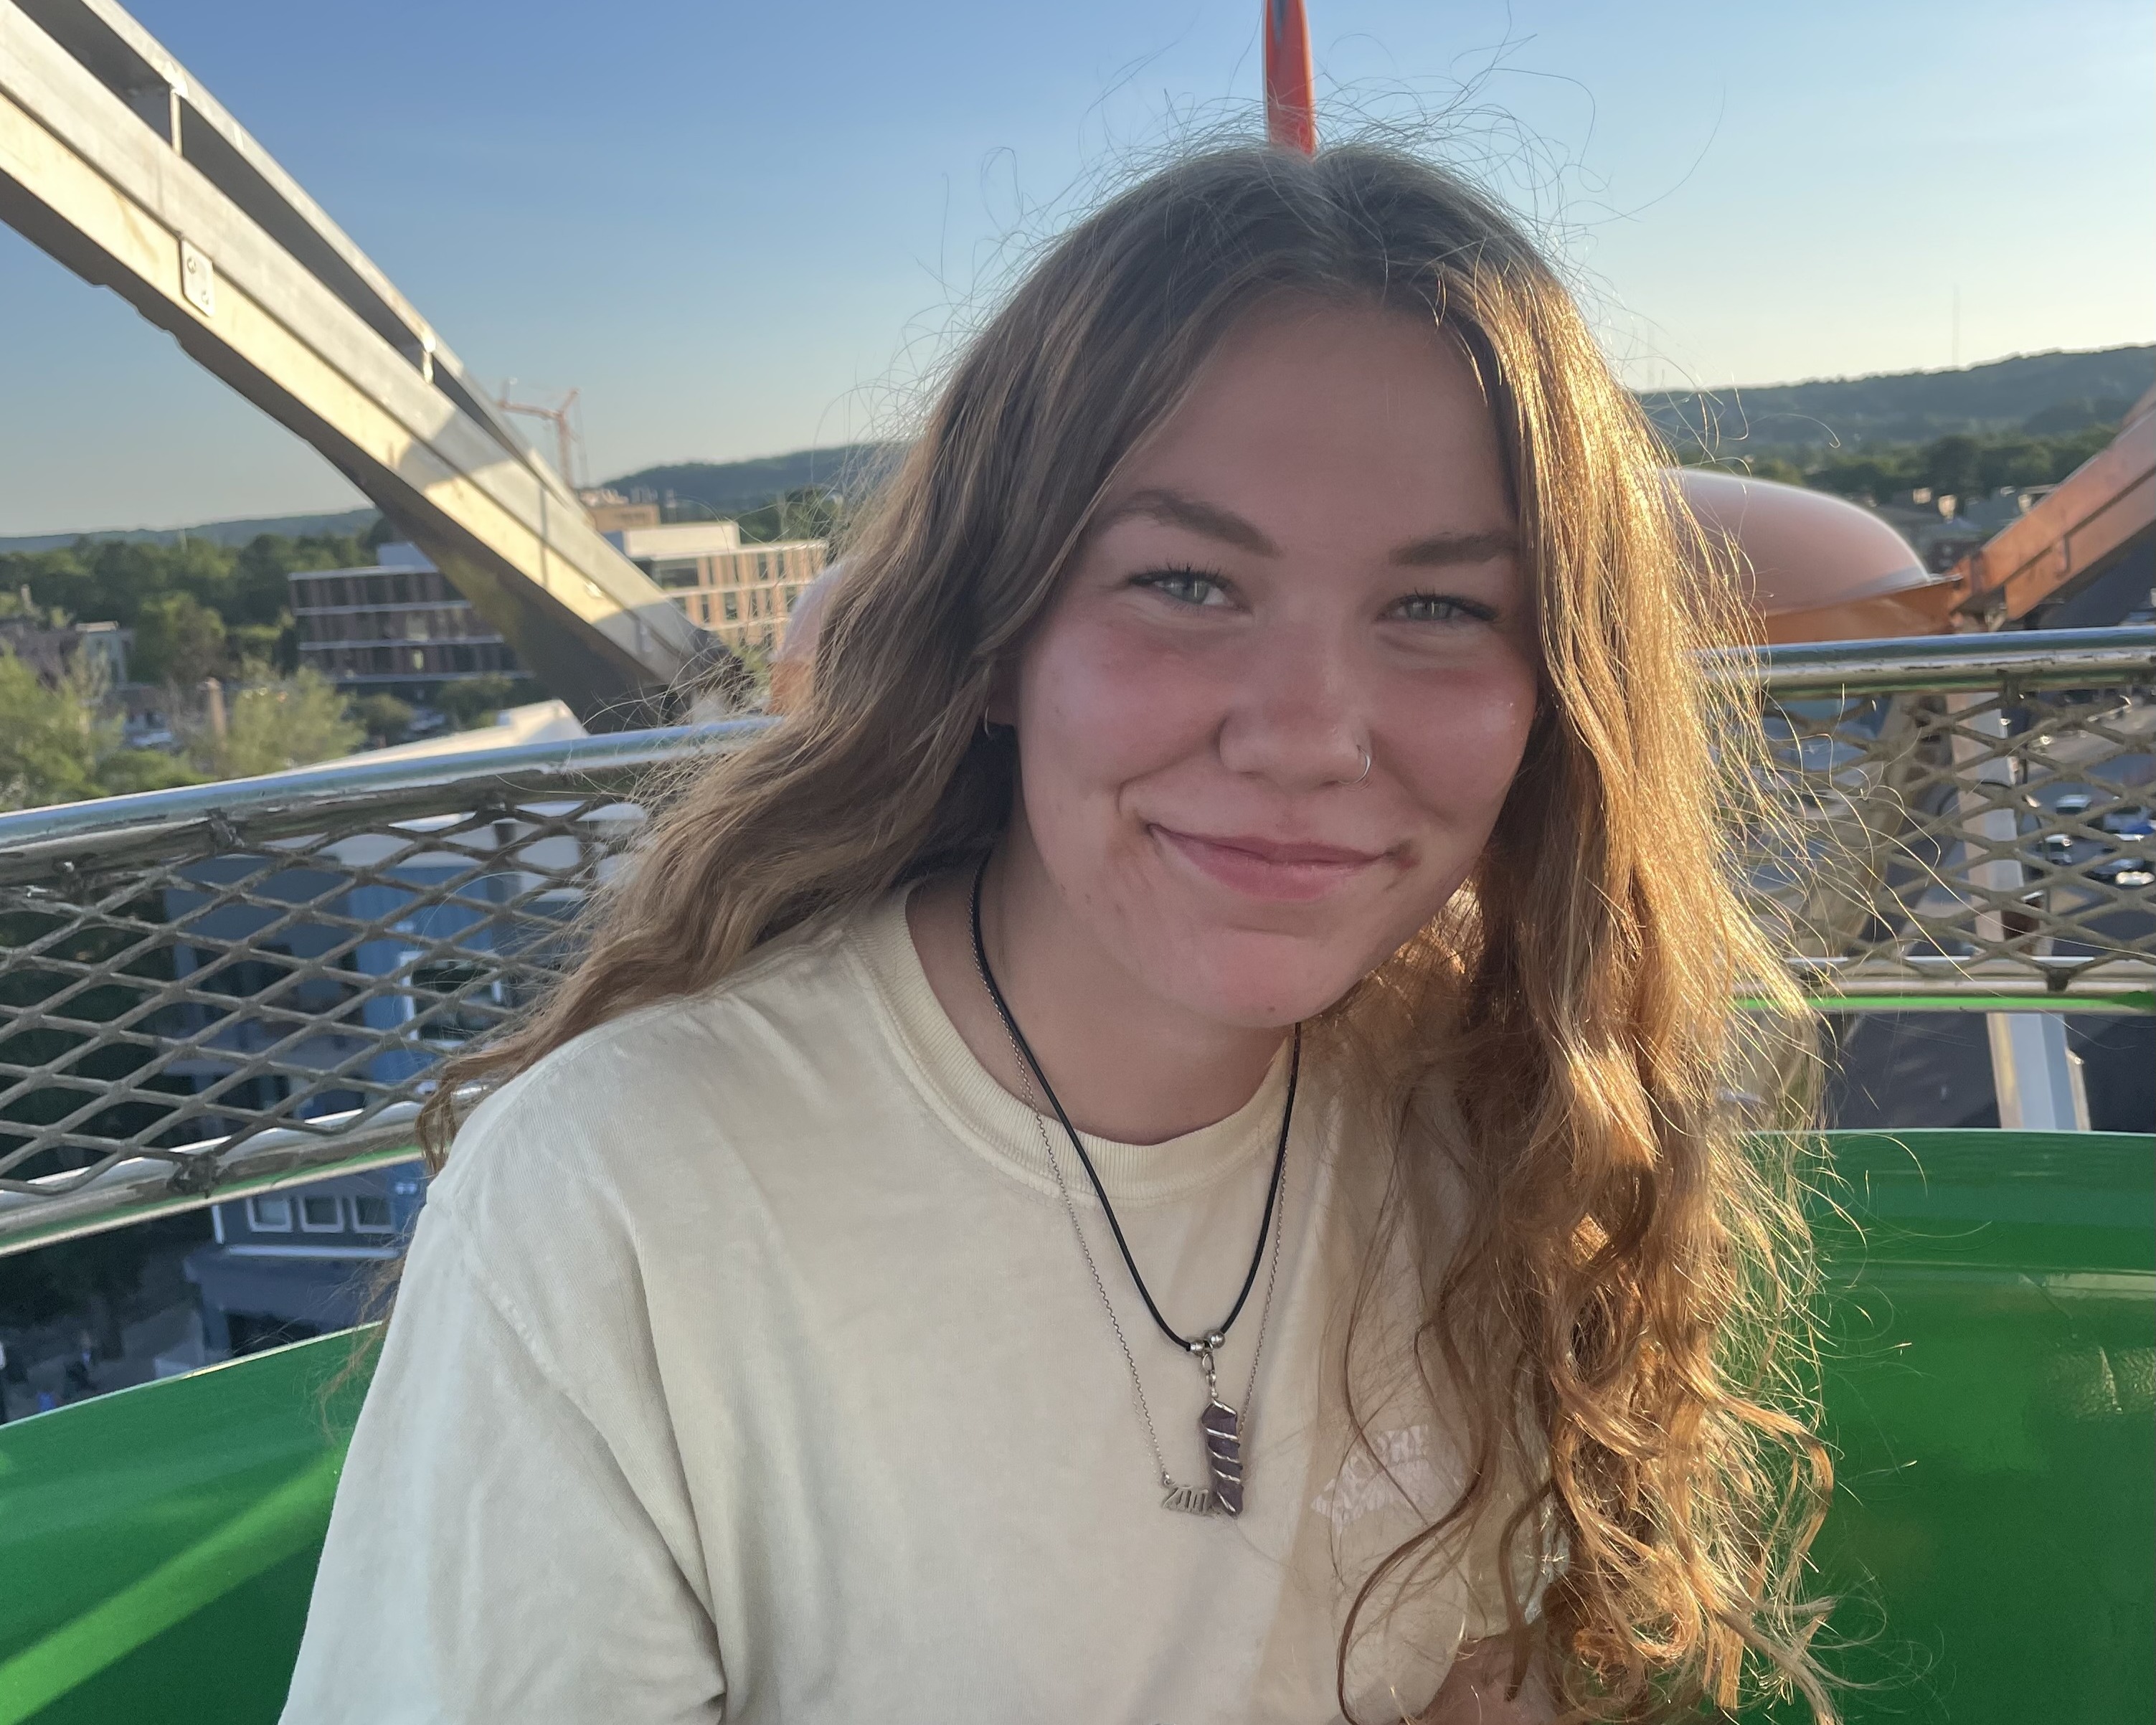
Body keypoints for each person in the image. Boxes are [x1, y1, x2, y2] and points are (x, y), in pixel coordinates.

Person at [283, 143, 1828, 1724]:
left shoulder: (1500, 1112)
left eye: (1439, 610)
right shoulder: (623, 1193)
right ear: (995, 635)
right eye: (1185, 582)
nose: (1308, 734)